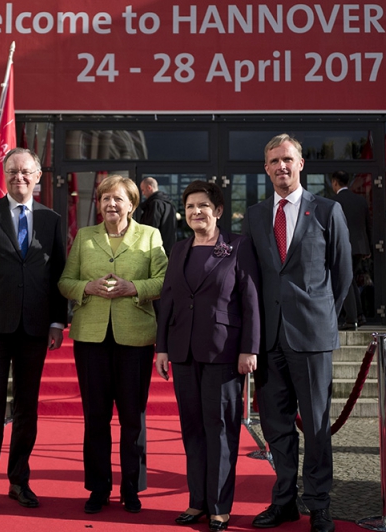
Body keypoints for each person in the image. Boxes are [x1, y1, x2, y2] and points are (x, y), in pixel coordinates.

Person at [242, 134, 352, 532]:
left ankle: (319, 503)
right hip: (270, 339)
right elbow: (251, 278)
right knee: (276, 426)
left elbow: (342, 274)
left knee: (318, 425)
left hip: (312, 338)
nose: (281, 167)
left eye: (287, 159)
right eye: (273, 161)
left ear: (301, 163)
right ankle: (284, 500)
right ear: (266, 168)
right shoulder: (254, 216)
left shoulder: (326, 210)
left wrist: (321, 316)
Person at [0, 148, 68, 517]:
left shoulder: (52, 220)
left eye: (25, 171)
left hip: (35, 327)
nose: (19, 177)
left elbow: (58, 277)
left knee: (26, 408)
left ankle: (19, 480)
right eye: (12, 171)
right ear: (5, 175)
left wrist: (57, 321)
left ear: (38, 175)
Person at [58, 175, 167, 515]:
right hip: (91, 337)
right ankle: (99, 487)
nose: (110, 205)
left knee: (133, 418)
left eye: (117, 199)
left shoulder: (150, 236)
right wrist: (84, 288)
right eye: (105, 199)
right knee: (95, 417)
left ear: (132, 204)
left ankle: (132, 488)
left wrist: (133, 287)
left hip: (134, 337)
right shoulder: (84, 237)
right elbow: (65, 281)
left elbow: (164, 280)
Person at [155, 180, 260, 532]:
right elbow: (168, 299)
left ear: (218, 211)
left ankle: (219, 506)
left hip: (223, 352)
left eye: (203, 206)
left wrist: (250, 348)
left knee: (220, 430)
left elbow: (250, 301)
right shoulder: (180, 249)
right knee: (192, 429)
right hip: (183, 351)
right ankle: (196, 501)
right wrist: (163, 347)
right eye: (189, 208)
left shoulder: (238, 247)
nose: (196, 212)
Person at [331, 170, 372, 330]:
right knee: (351, 279)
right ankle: (360, 316)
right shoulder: (360, 200)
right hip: (360, 247)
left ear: (335, 182)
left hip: (343, 246)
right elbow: (368, 224)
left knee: (346, 280)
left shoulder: (335, 202)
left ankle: (351, 319)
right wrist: (368, 248)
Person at [138, 177, 177, 256]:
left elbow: (150, 228)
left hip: (156, 249)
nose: (143, 193)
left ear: (149, 187)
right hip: (169, 248)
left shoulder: (155, 204)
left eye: (143, 190)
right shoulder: (169, 204)